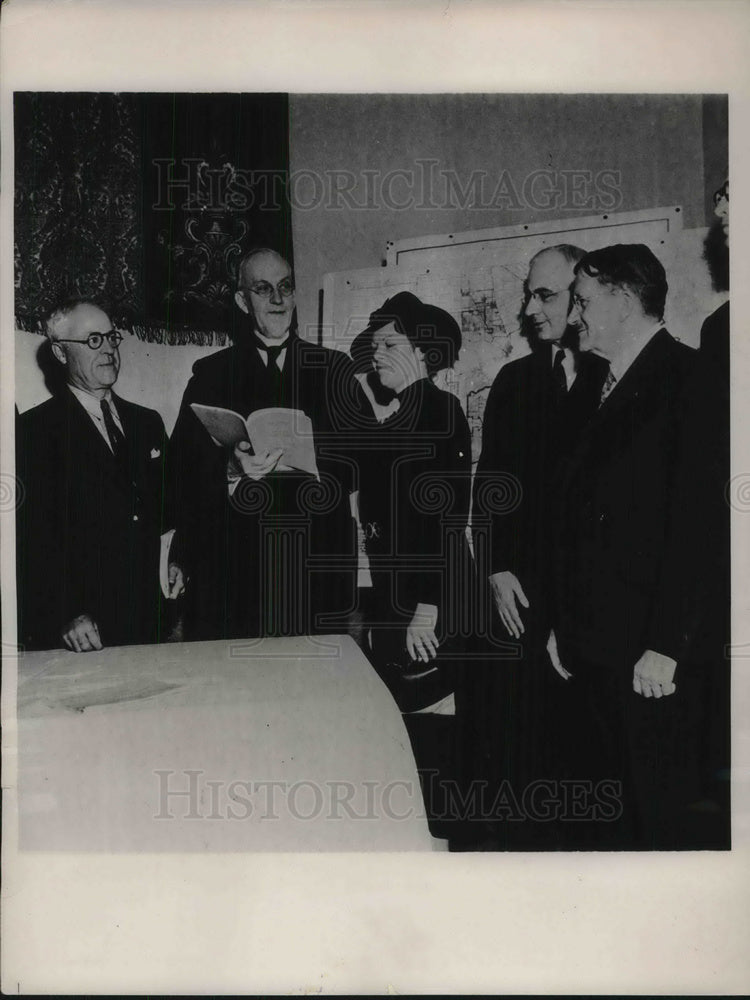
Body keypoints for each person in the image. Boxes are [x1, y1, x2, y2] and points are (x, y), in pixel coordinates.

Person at [547, 243, 701, 848]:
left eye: (582, 301)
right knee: (600, 822)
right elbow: (571, 522)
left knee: (654, 826)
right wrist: (562, 624)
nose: (574, 316)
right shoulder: (591, 389)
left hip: (649, 661)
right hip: (589, 651)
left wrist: (667, 643)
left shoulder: (689, 377)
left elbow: (698, 528)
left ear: (624, 298)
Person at [469, 245, 608, 846]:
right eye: (529, 293)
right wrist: (497, 567)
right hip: (519, 600)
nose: (529, 308)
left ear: (581, 298)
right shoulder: (515, 381)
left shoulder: (616, 375)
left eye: (545, 295)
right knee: (522, 764)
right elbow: (491, 486)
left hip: (590, 609)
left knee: (591, 766)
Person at [168, 248, 360, 640]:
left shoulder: (336, 370)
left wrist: (315, 458)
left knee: (312, 694)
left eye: (285, 287)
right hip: (235, 571)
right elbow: (179, 470)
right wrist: (231, 468)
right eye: (263, 288)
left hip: (315, 569)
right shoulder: (210, 375)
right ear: (242, 300)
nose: (277, 299)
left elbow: (364, 462)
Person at [351, 292, 475, 842]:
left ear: (423, 353)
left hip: (428, 605)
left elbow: (447, 518)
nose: (375, 354)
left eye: (389, 344)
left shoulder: (439, 412)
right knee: (413, 738)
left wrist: (428, 608)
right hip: (394, 603)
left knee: (434, 739)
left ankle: (447, 850)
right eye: (374, 344)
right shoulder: (398, 417)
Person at [17, 299, 183, 652]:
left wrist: (177, 562)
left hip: (153, 625)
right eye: (94, 340)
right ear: (61, 354)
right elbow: (29, 542)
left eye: (111, 338)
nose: (108, 349)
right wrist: (65, 613)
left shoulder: (147, 422)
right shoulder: (34, 431)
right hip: (83, 633)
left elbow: (173, 508)